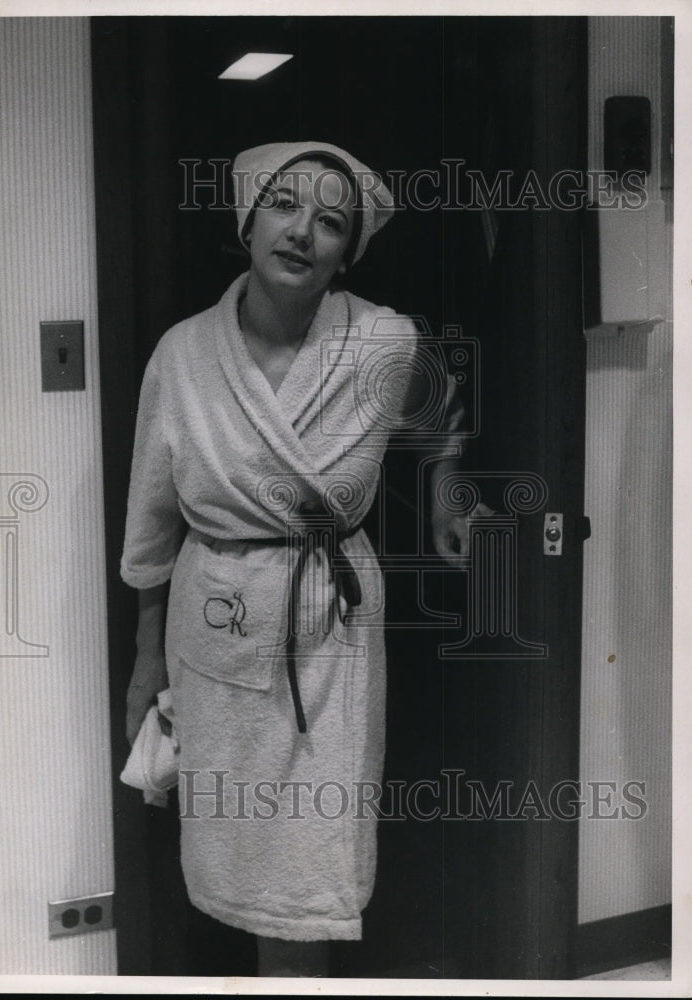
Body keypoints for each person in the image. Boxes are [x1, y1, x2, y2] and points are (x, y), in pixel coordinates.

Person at [120, 141, 473, 977]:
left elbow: (445, 398)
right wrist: (142, 656)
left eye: (330, 221)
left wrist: (446, 489)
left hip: (331, 632)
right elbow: (151, 518)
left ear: (347, 251)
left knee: (313, 868)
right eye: (283, 204)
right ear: (247, 219)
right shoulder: (182, 355)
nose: (301, 232)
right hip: (217, 615)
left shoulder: (382, 342)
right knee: (232, 846)